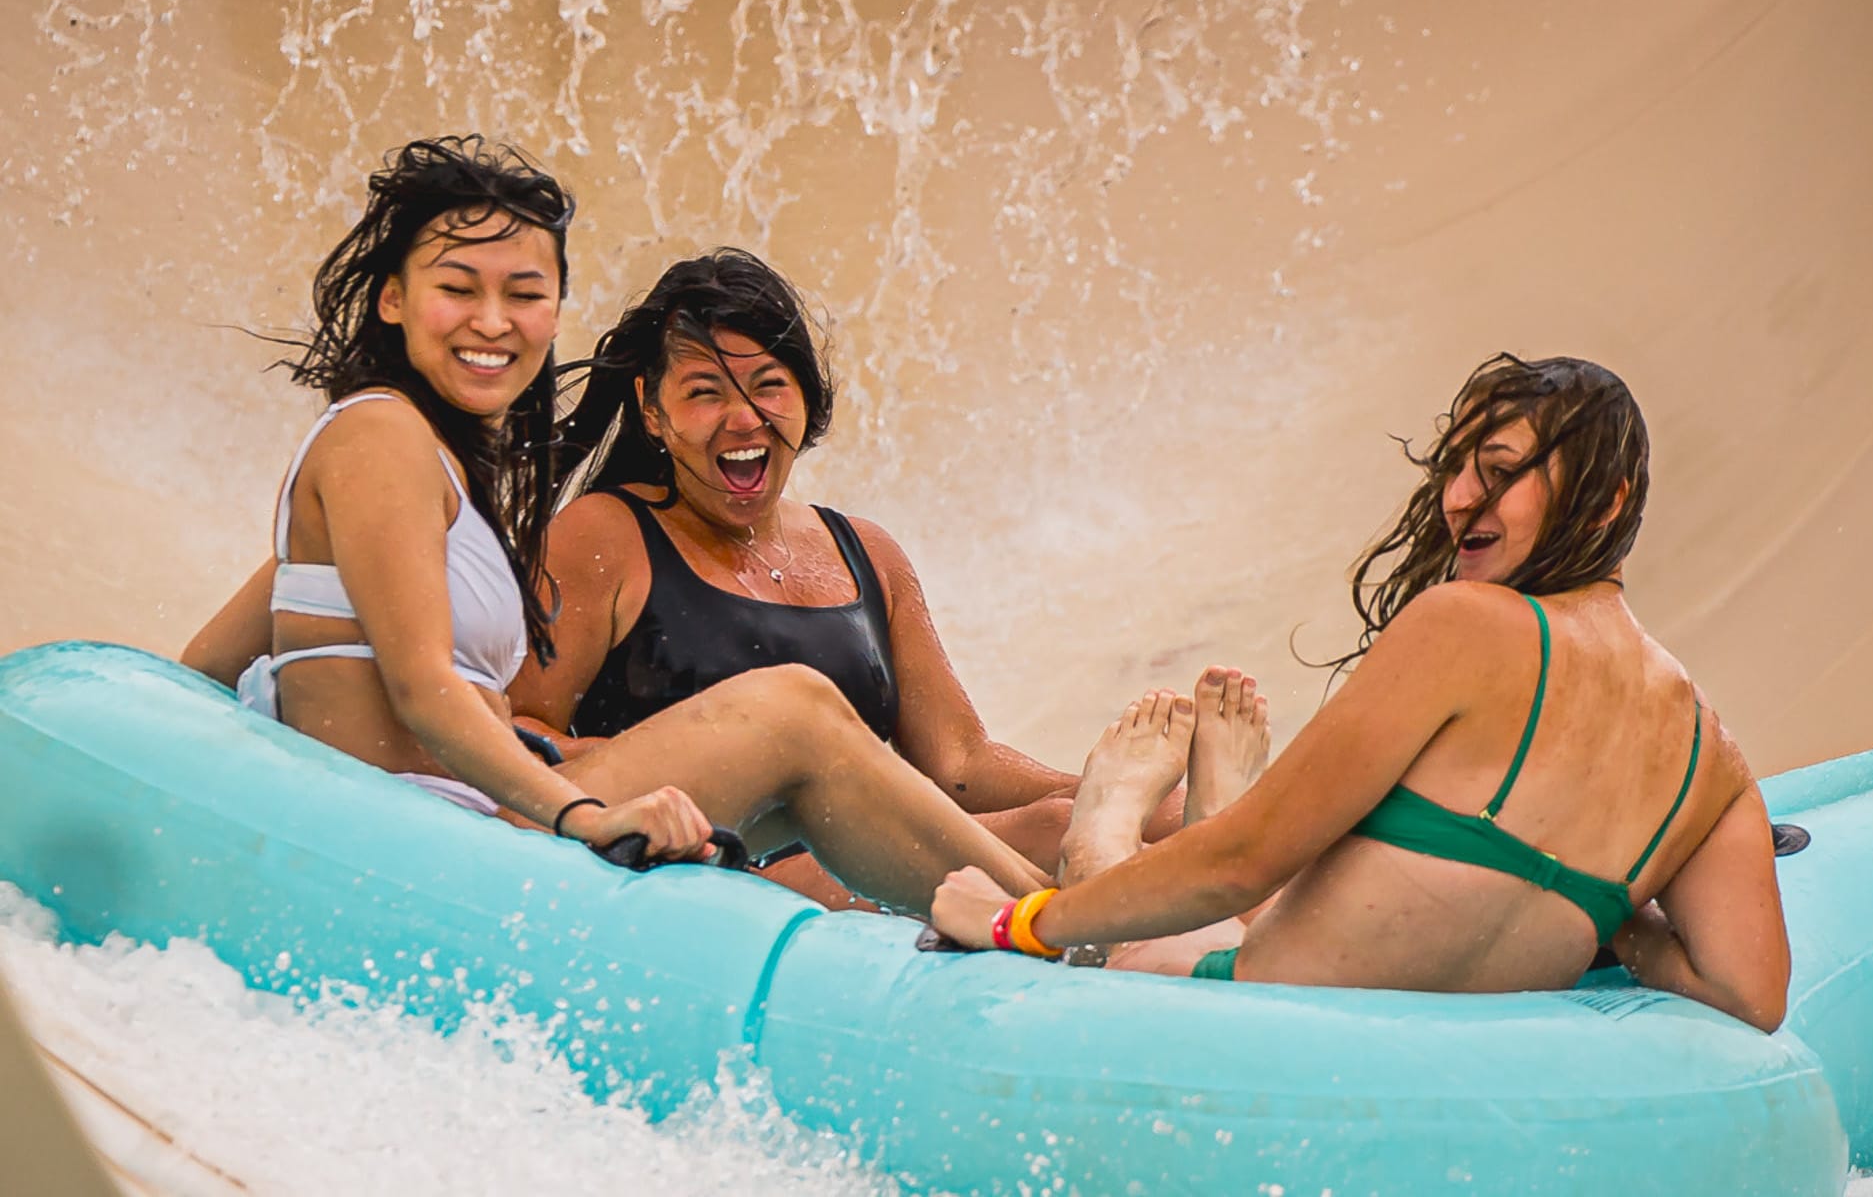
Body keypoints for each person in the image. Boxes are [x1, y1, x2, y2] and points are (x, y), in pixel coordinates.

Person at [182, 137, 1047, 914]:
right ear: (393, 300)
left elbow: (211, 665)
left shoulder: (434, 463)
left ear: (556, 311)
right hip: (432, 849)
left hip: (466, 824)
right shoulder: (382, 436)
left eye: (525, 293)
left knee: (856, 782)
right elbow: (424, 690)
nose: (494, 321)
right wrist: (585, 812)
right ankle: (1051, 927)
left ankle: (1057, 915)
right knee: (796, 707)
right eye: (458, 289)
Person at [929, 354, 1791, 1031]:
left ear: (1606, 501)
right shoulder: (1710, 756)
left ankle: (1108, 817)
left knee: (1146, 928)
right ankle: (1215, 800)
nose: (1458, 499)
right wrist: (1618, 911)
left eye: (1497, 471)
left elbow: (1239, 866)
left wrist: (1018, 924)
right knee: (1262, 882)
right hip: (1425, 1061)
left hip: (1243, 1013)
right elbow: (1747, 994)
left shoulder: (1466, 626)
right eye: (1455, 468)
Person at [509, 250, 1086, 905]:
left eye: (769, 385)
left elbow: (961, 765)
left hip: (852, 865)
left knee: (1070, 820)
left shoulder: (867, 553)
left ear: (807, 397)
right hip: (707, 874)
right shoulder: (606, 536)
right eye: (704, 392)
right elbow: (520, 731)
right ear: (651, 409)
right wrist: (685, 767)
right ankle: (1060, 926)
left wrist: (1100, 788)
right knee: (1050, 837)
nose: (744, 418)